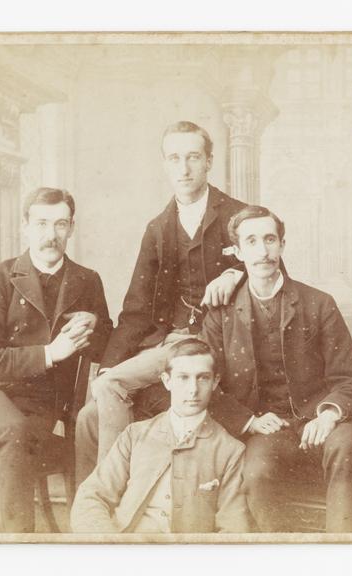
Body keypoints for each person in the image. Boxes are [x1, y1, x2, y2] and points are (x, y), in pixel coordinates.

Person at [74, 121, 248, 486]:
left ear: (209, 162)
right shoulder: (158, 228)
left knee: (107, 392)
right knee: (99, 399)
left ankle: (110, 490)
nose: (183, 169)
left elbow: (270, 270)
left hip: (224, 342)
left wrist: (235, 274)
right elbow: (136, 309)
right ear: (165, 165)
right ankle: (108, 493)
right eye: (174, 159)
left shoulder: (239, 216)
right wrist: (110, 366)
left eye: (193, 157)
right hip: (172, 345)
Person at [0, 187, 112, 532]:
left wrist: (95, 326)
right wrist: (51, 353)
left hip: (40, 402)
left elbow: (104, 342)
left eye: (60, 224)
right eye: (41, 223)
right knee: (12, 432)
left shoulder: (87, 281)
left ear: (71, 228)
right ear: (25, 227)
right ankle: (21, 550)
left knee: (5, 454)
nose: (50, 235)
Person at [200, 205, 352, 533]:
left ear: (282, 245)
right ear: (237, 252)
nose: (263, 251)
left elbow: (351, 379)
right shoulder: (220, 313)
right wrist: (249, 421)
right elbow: (206, 382)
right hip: (268, 429)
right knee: (256, 474)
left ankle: (344, 553)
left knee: (348, 446)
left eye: (270, 240)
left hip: (322, 421)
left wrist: (329, 414)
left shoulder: (318, 303)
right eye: (251, 242)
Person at [71, 338, 251, 533]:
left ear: (215, 382)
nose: (193, 389)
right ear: (167, 381)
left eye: (203, 378)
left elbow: (234, 528)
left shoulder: (230, 450)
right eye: (183, 377)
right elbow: (91, 496)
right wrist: (109, 545)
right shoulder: (135, 435)